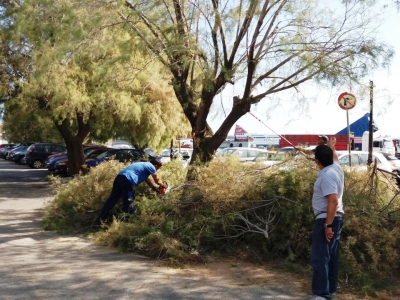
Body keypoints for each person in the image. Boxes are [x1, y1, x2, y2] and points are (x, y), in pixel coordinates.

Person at [309, 137, 345, 300]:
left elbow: (333, 200)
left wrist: (327, 225)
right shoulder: (335, 168)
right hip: (333, 219)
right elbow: (335, 158)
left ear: (317, 161)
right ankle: (329, 292)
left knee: (320, 257)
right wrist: (331, 147)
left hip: (327, 219)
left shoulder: (328, 175)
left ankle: (321, 294)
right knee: (330, 257)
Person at [96, 157, 167, 224]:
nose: (157, 170)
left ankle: (100, 220)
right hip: (128, 181)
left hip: (119, 178)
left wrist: (154, 188)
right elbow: (157, 180)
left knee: (112, 200)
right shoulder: (151, 166)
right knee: (129, 201)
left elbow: (147, 180)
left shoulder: (142, 164)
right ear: (156, 165)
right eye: (158, 168)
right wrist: (163, 185)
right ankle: (125, 223)